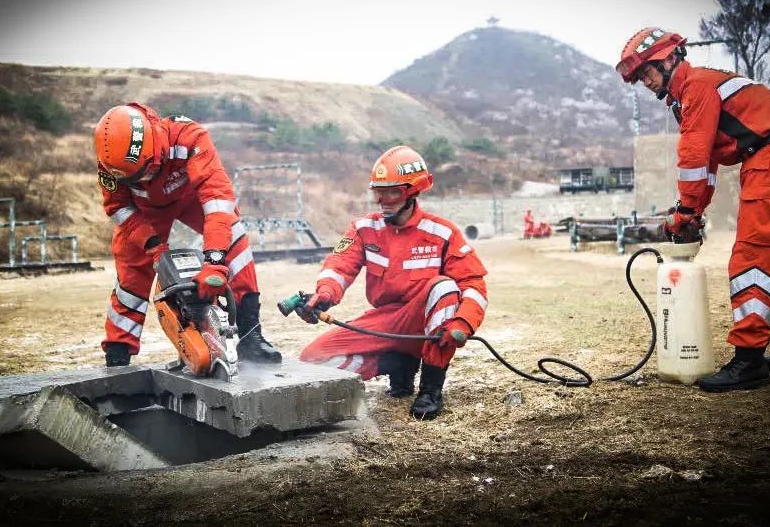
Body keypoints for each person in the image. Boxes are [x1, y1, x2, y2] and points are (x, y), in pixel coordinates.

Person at [616, 27, 770, 392]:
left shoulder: (695, 87)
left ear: (668, 59)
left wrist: (684, 210)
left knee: (753, 259)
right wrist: (691, 212)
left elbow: (693, 159)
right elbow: (707, 166)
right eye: (639, 77)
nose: (645, 82)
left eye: (646, 71)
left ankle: (748, 361)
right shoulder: (702, 87)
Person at [298, 145, 488, 420]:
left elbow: (473, 283)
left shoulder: (443, 232)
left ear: (413, 191)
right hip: (385, 321)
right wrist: (325, 293)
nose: (382, 199)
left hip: (425, 324)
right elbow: (339, 265)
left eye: (392, 191)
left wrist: (463, 323)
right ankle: (396, 364)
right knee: (312, 360)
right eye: (378, 191)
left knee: (445, 287)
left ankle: (431, 390)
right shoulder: (363, 228)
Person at [94, 102, 281, 367]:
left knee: (235, 237)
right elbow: (118, 207)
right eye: (135, 178)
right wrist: (152, 246)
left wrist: (215, 261)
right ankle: (117, 352)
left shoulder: (190, 137)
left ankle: (251, 336)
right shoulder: (110, 165)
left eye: (146, 171)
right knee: (131, 272)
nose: (143, 180)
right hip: (144, 211)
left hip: (191, 198)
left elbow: (217, 198)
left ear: (155, 148)